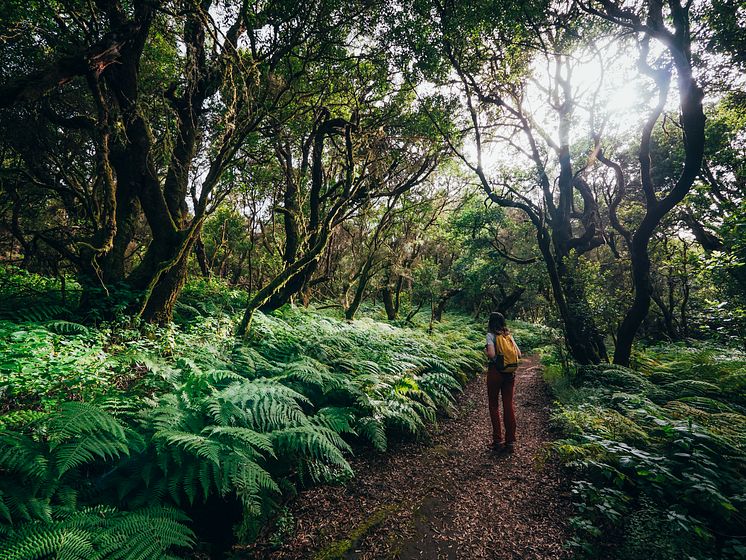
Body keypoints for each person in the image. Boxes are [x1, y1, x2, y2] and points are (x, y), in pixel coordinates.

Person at [485, 311, 521, 452]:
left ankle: (497, 441)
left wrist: (487, 352)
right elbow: (518, 354)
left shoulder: (490, 335)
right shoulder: (508, 335)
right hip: (509, 374)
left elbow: (492, 354)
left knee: (494, 405)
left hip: (495, 373)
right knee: (508, 405)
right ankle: (510, 442)